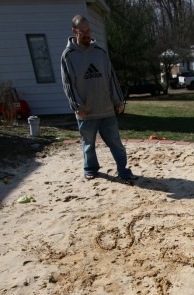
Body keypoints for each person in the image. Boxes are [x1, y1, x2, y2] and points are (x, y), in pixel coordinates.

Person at [61, 15, 138, 181]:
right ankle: (90, 168)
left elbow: (111, 78)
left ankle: (123, 170)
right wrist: (77, 107)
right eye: (83, 31)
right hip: (86, 112)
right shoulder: (68, 56)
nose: (88, 34)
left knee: (116, 143)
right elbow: (69, 85)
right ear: (74, 31)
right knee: (88, 144)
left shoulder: (100, 53)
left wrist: (118, 100)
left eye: (89, 30)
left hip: (106, 109)